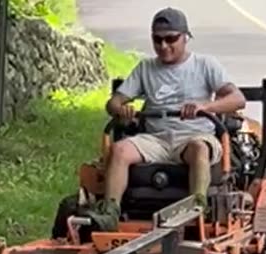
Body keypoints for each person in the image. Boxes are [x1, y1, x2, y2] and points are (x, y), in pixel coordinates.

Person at [85, 7, 247, 232]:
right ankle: (110, 212)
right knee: (119, 149)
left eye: (171, 39)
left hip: (194, 136)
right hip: (156, 139)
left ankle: (197, 206)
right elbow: (113, 103)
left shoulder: (205, 65)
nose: (163, 46)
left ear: (185, 37)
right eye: (157, 40)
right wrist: (121, 109)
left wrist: (205, 107)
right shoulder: (146, 68)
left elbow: (238, 99)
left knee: (199, 149)